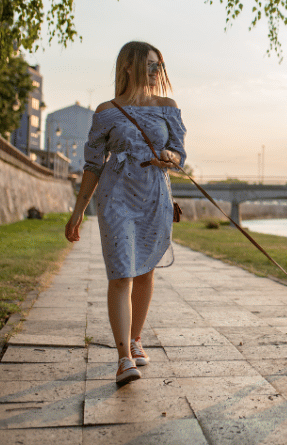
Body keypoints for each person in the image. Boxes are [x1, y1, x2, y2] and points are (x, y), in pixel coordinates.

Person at [65, 41, 186, 385]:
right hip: (116, 197)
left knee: (145, 270)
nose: (155, 72)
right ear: (128, 66)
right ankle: (123, 358)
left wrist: (169, 157)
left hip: (153, 197)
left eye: (158, 65)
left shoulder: (167, 108)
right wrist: (78, 212)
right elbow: (92, 164)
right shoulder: (106, 111)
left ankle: (135, 338)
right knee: (121, 274)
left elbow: (179, 153)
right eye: (149, 65)